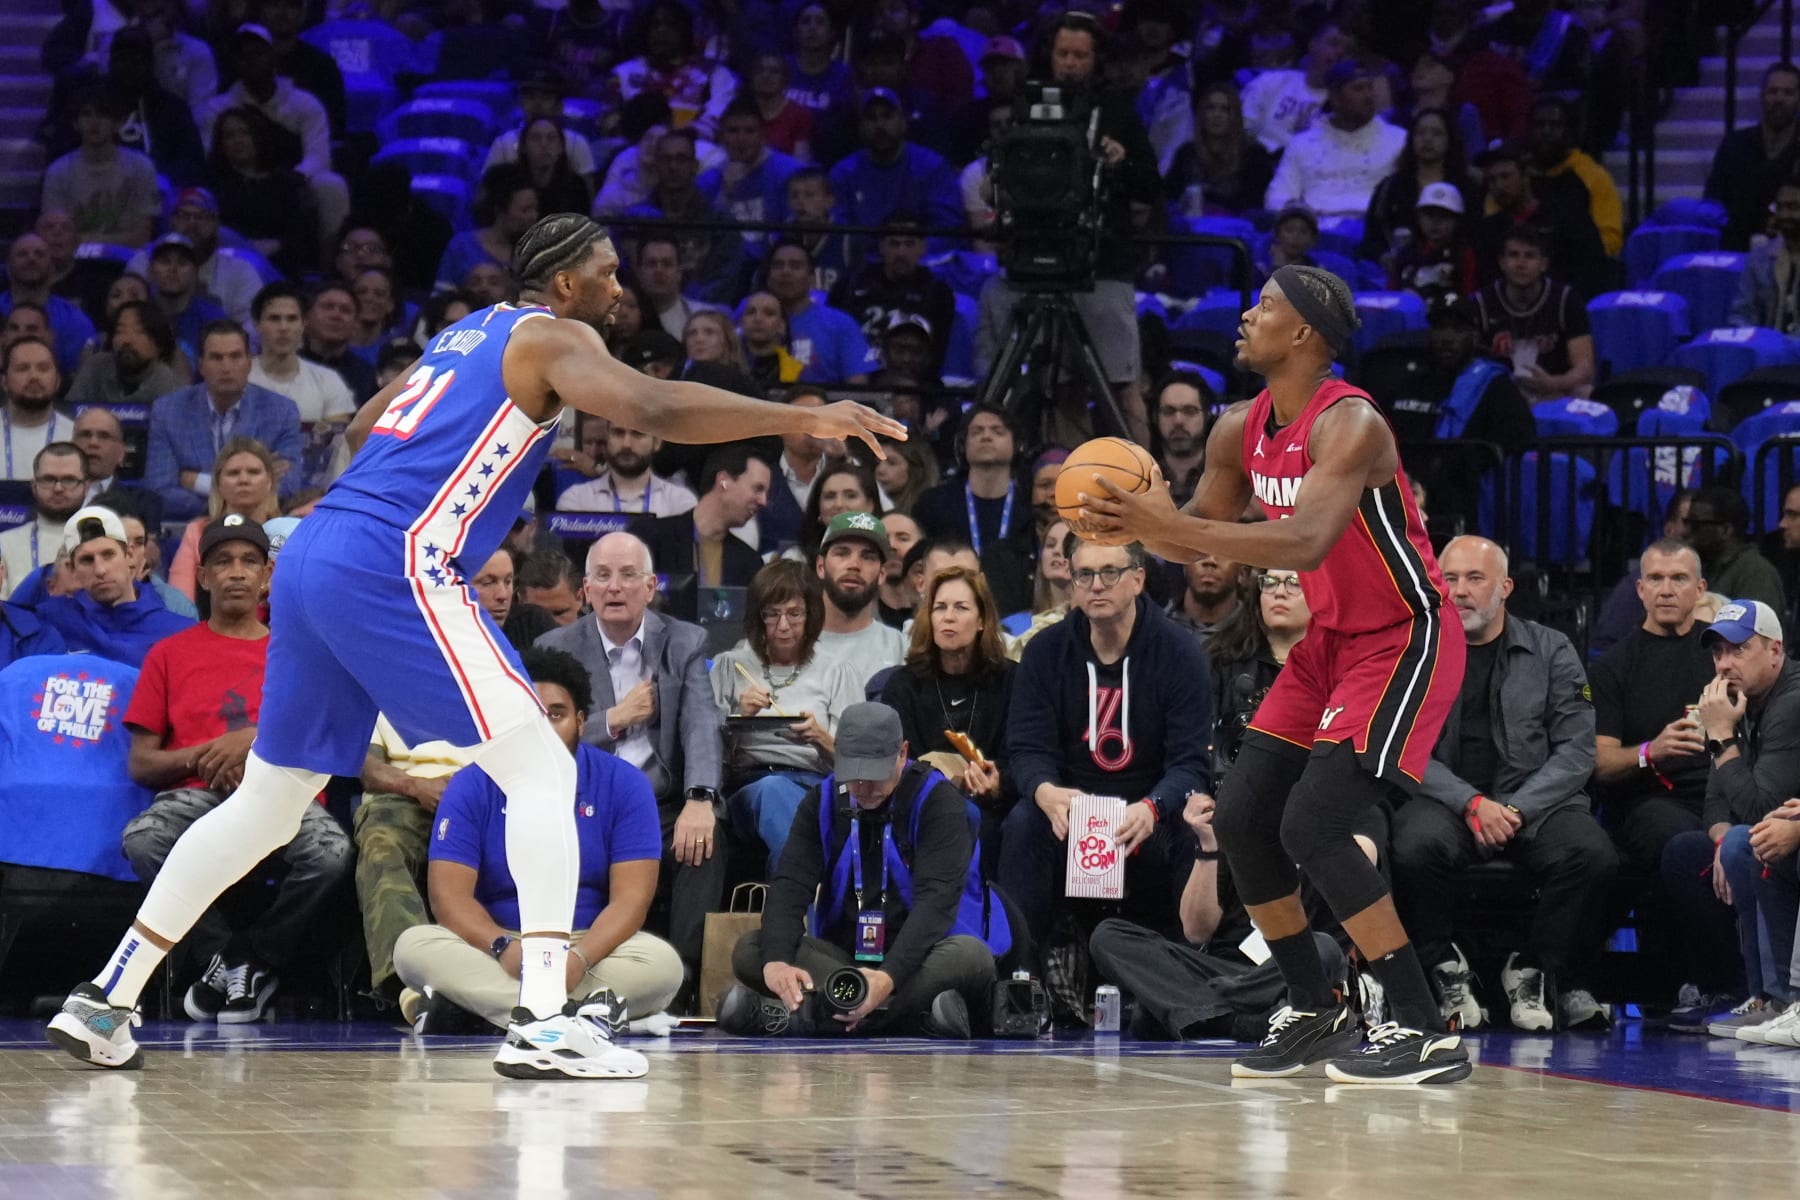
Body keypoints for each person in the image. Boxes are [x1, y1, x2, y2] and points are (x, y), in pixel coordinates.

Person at [43, 212, 901, 1078]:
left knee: (268, 805)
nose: (618, 288)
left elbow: (362, 427)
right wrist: (799, 415)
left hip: (312, 552)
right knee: (544, 771)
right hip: (395, 556)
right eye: (606, 273)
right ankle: (546, 1020)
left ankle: (107, 998)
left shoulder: (467, 333)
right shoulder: (553, 335)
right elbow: (653, 405)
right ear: (563, 283)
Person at [1074, 263, 1472, 1083]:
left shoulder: (1351, 424)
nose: (1246, 317)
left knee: (1314, 825)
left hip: (1403, 635)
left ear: (1304, 334)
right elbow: (1197, 539)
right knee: (1245, 817)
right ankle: (1313, 1007)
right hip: (1330, 639)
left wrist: (1166, 523)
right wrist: (1133, 525)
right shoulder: (1235, 430)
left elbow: (1303, 543)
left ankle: (1421, 1025)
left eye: (1264, 307)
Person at [121, 514, 350, 1024]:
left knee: (331, 855)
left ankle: (252, 956)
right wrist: (207, 754)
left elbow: (326, 739)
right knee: (142, 841)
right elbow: (141, 762)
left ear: (268, 575)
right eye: (223, 562)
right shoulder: (168, 653)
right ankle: (226, 959)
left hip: (283, 792)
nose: (237, 572)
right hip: (196, 792)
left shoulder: (299, 652)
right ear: (203, 577)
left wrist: (251, 744)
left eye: (250, 561)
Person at [1391, 536, 1616, 1032]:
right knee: (1411, 846)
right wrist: (1470, 802)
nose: (1460, 591)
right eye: (1450, 579)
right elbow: (1405, 746)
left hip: (1534, 804)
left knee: (1593, 855)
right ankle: (1444, 967)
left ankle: (1534, 968)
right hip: (1446, 801)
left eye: (1475, 578)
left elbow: (1576, 750)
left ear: (1505, 587)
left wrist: (1515, 809)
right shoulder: (1416, 651)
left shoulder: (1551, 648)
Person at [394, 646, 683, 1031]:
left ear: (581, 722)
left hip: (589, 946)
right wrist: (503, 948)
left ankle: (485, 1011)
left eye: (556, 715)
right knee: (412, 948)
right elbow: (449, 897)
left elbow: (631, 899)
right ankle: (578, 1016)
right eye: (528, 716)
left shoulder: (625, 784)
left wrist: (579, 958)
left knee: (663, 966)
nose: (541, 729)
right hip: (499, 945)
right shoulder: (471, 784)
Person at [715, 701, 1001, 1038]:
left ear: (902, 753)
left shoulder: (939, 802)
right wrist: (776, 961)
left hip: (922, 957)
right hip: (846, 962)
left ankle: (805, 1018)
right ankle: (908, 1018)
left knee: (971, 957)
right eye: (853, 774)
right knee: (751, 950)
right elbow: (790, 884)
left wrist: (887, 978)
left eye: (874, 775)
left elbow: (935, 905)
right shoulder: (822, 801)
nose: (863, 788)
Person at [1001, 535, 1212, 960]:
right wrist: (1044, 790)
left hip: (1149, 808)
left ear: (1138, 579)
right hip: (1069, 807)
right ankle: (1019, 974)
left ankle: (1183, 971)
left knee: (1189, 827)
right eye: (1085, 574)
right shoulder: (1045, 651)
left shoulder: (1180, 652)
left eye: (1110, 573)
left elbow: (1190, 763)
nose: (1096, 585)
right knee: (1023, 823)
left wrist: (1153, 807)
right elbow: (1026, 749)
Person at [537, 533, 726, 997]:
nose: (614, 587)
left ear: (650, 586)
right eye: (602, 576)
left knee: (705, 840)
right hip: (584, 803)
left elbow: (701, 722)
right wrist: (613, 720)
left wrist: (700, 798)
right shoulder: (555, 648)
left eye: (627, 575)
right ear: (586, 589)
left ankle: (680, 984)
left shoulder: (684, 641)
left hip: (660, 804)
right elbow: (543, 735)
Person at [1588, 539, 1730, 1006]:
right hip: (1649, 803)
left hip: (1726, 792)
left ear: (1700, 589)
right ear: (1640, 590)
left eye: (1679, 579)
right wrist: (1652, 752)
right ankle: (1701, 980)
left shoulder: (1724, 654)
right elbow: (1601, 763)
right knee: (1679, 840)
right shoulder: (1612, 667)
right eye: (1656, 579)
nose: (1666, 589)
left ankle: (1748, 982)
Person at [1663, 600, 1800, 1037]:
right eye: (1718, 652)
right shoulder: (1739, 699)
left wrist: (1721, 735)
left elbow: (1760, 809)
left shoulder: (1791, 701)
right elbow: (1715, 801)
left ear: (1775, 650)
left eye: (1739, 650)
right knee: (1695, 851)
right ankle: (1749, 993)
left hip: (1786, 831)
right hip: (1772, 829)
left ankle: (1784, 996)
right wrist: (1722, 839)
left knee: (1750, 842)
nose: (1724, 664)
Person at [710, 560, 866, 874]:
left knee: (795, 809)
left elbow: (859, 766)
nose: (783, 626)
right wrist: (738, 717)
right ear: (757, 617)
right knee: (773, 791)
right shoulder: (729, 666)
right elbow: (702, 752)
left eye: (795, 614)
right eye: (772, 613)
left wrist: (821, 738)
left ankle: (788, 899)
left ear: (812, 616)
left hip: (815, 785)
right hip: (747, 787)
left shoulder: (837, 671)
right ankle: (804, 899)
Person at [879, 565, 1013, 868]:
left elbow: (1019, 753)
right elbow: (894, 760)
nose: (948, 617)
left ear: (982, 620)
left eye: (960, 608)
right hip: (920, 803)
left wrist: (999, 783)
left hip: (992, 806)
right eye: (940, 607)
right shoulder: (903, 684)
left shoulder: (1010, 680)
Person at [195, 24, 346, 264]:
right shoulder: (217, 109)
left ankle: (330, 266)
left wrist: (286, 181)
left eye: (258, 53)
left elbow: (319, 157)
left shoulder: (304, 104)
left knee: (331, 185)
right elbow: (209, 157)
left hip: (293, 180)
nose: (251, 62)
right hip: (236, 182)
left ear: (273, 58)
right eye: (243, 56)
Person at [144, 323, 303, 521]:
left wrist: (197, 482)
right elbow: (159, 489)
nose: (226, 367)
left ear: (249, 363)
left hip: (259, 527)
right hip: (190, 525)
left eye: (235, 357)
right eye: (216, 358)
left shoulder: (281, 411)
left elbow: (288, 487)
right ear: (201, 365)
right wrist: (239, 499)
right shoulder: (168, 411)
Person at [911, 405, 1034, 618]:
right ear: (962, 446)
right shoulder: (933, 504)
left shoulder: (1030, 505)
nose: (986, 436)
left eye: (997, 431)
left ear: (1017, 444)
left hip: (1018, 611)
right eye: (977, 432)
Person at [33, 504, 194, 665]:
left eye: (108, 555)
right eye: (87, 560)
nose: (100, 570)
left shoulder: (180, 632)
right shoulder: (53, 618)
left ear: (130, 556)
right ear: (73, 569)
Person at [628, 445, 769, 618]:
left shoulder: (750, 562)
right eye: (757, 489)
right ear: (723, 481)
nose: (763, 501)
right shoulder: (649, 537)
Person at [1459, 227, 1595, 403]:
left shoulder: (1565, 299)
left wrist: (1554, 383)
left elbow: (1585, 367)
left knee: (1585, 391)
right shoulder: (1481, 303)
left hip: (1555, 393)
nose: (1521, 264)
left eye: (1529, 256)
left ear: (1543, 264)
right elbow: (1468, 367)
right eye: (1513, 255)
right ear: (1502, 262)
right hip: (1498, 398)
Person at [1472, 141, 1610, 302]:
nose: (1499, 186)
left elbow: (1594, 270)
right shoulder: (1488, 230)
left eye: (1505, 176)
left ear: (1525, 177)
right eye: (1491, 180)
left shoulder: (1567, 217)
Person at [1265, 61, 1407, 218]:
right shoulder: (1302, 144)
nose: (1368, 96)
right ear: (1335, 97)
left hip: (1375, 225)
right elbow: (1277, 197)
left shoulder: (1399, 139)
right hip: (1315, 226)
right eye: (1358, 89)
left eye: (1370, 87)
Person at [828, 213, 956, 373]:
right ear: (881, 247)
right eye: (894, 244)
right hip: (854, 376)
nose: (901, 253)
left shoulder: (938, 294)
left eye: (909, 244)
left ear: (922, 248)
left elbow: (935, 357)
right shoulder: (848, 286)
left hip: (911, 379)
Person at [203, 106, 319, 279]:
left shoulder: (286, 183)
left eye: (245, 133)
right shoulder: (211, 185)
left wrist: (278, 244)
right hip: (227, 264)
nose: (238, 140)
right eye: (230, 136)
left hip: (278, 263)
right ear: (221, 145)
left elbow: (300, 233)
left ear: (258, 137)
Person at [123, 188, 261, 328]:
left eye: (202, 216)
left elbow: (252, 328)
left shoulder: (241, 272)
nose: (192, 223)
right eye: (184, 215)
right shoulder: (144, 261)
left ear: (216, 223)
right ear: (172, 220)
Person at [40, 89, 160, 248]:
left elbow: (142, 236)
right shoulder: (58, 171)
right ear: (76, 123)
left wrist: (84, 240)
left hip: (129, 258)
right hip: (73, 258)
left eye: (103, 115)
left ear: (118, 123)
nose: (94, 122)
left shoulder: (142, 167)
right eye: (87, 114)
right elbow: (55, 236)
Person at [167, 438, 282, 601]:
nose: (244, 480)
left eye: (254, 472)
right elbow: (179, 603)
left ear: (269, 481)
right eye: (233, 473)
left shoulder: (289, 534)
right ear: (218, 483)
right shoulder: (197, 533)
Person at [1359, 107, 1477, 266]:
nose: (1427, 139)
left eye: (1436, 133)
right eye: (1420, 133)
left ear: (1450, 139)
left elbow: (1475, 234)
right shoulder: (1390, 187)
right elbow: (1371, 240)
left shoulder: (1466, 187)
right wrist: (1384, 258)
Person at [1707, 62, 1800, 250]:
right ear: (1762, 96)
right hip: (1736, 249)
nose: (1779, 99)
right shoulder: (1734, 144)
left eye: (1788, 93)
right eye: (1773, 91)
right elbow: (1714, 200)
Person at [814, 512, 910, 686]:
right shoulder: (788, 643)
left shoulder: (900, 649)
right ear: (820, 566)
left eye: (867, 557)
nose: (854, 565)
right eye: (842, 553)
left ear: (882, 574)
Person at [763, 240, 876, 385]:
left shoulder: (841, 323)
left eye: (795, 266)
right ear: (768, 277)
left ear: (811, 278)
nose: (785, 272)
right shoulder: (748, 318)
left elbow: (858, 381)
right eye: (778, 266)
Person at [247, 283, 356, 427]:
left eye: (292, 319)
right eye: (274, 319)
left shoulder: (329, 381)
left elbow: (336, 437)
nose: (283, 328)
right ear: (257, 324)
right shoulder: (239, 379)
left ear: (304, 323)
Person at [1527, 96, 1623, 258]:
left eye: (1555, 125)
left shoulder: (1593, 176)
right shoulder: (1514, 173)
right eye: (1539, 125)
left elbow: (1611, 238)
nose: (1546, 131)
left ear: (1569, 131)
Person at [1164, 82, 1276, 216]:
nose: (1217, 115)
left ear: (1235, 116)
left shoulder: (1254, 155)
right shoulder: (1186, 153)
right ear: (1201, 114)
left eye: (1225, 109)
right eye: (1210, 108)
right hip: (1189, 224)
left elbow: (1254, 205)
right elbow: (1169, 197)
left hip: (1235, 225)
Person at [0, 444, 87, 601]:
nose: (58, 488)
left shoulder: (104, 543)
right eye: (48, 479)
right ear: (34, 486)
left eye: (69, 480)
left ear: (86, 487)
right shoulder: (4, 543)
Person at [436, 166, 541, 296]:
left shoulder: (539, 252)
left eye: (535, 209)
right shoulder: (461, 247)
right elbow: (441, 299)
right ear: (500, 211)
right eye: (525, 210)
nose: (533, 216)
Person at [3, 237, 96, 379]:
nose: (31, 259)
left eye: (39, 254)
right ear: (7, 267)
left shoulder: (77, 322)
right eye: (22, 254)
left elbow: (82, 380)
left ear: (53, 269)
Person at [556, 424, 696, 516]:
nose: (626, 444)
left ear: (657, 442)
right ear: (607, 438)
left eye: (638, 434)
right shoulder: (576, 500)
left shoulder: (681, 503)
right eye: (618, 433)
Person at [1687, 486, 1787, 615]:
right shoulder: (1706, 566)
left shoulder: (1756, 573)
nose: (1686, 531)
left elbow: (1756, 625)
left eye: (1695, 525)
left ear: (1725, 530)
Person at [64, 301, 183, 408]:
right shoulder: (96, 367)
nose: (127, 340)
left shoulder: (171, 390)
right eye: (120, 331)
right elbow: (68, 413)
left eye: (139, 332)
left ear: (160, 344)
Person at [1732, 177, 1800, 333]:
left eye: (1793, 207)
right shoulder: (1758, 258)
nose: (1784, 215)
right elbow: (1741, 313)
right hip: (1767, 344)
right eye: (1779, 207)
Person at [1, 338, 70, 482]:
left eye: (43, 369)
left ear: (57, 380)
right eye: (22, 368)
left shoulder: (76, 435)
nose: (34, 376)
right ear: (4, 382)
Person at [1155, 371, 1212, 510]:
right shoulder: (1143, 476)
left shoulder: (1227, 477)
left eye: (1190, 411)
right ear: (1155, 417)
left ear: (1207, 415)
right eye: (1168, 411)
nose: (1178, 421)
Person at [1170, 551, 1246, 650]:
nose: (1210, 561)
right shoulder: (1155, 626)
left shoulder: (1258, 635)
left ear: (1242, 573)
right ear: (1184, 567)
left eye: (1223, 553)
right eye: (1199, 551)